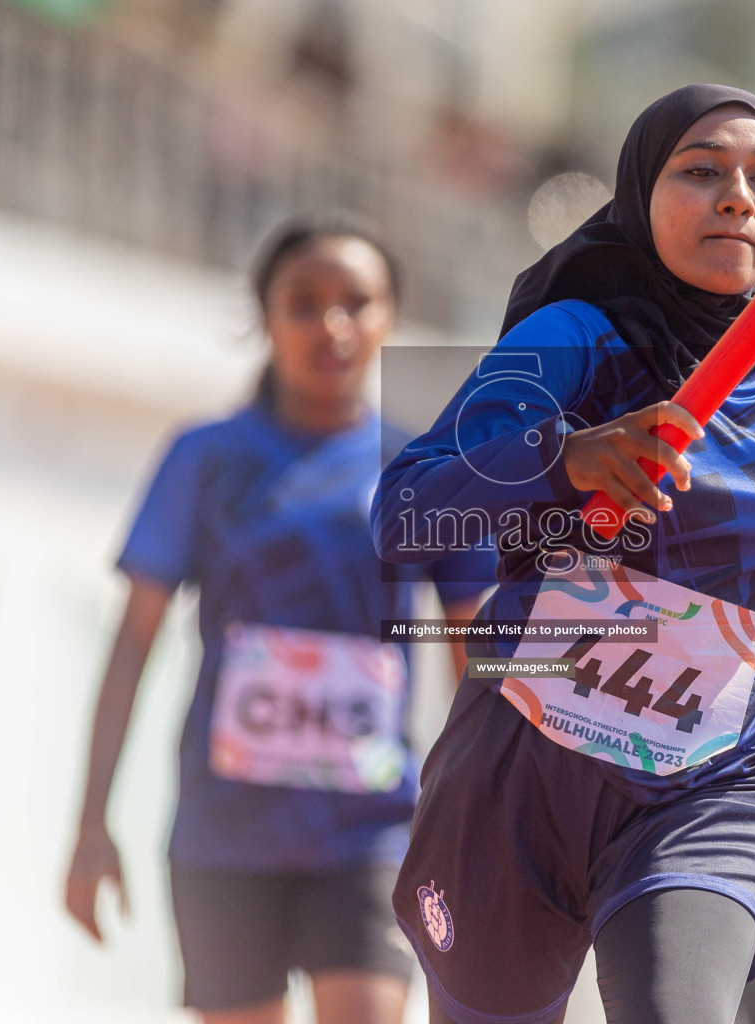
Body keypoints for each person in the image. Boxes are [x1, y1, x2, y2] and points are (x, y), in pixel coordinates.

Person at [371, 84, 755, 1024]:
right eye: (701, 171)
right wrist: (567, 459)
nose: (737, 197)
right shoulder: (569, 340)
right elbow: (405, 510)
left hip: (714, 778)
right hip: (523, 770)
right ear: (640, 191)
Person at [64, 215, 493, 1024]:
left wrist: (486, 821)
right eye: (304, 303)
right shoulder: (206, 457)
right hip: (224, 838)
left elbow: (474, 650)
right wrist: (93, 823)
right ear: (265, 317)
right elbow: (131, 646)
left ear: (388, 319)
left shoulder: (424, 470)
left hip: (371, 835)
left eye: (356, 302)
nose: (331, 325)